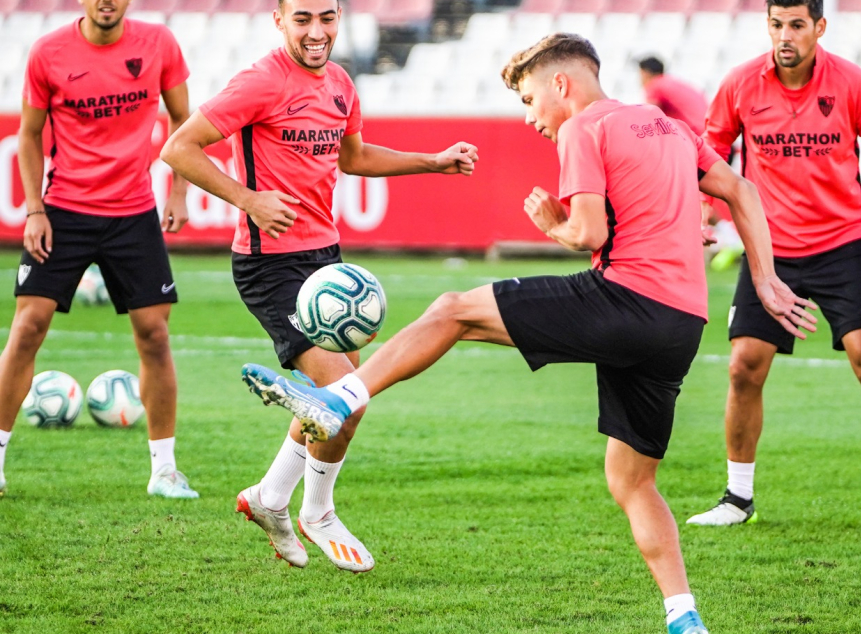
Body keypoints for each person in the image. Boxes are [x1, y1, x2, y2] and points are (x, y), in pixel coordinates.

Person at [238, 33, 816, 634]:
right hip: (680, 326)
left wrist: (554, 225)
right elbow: (742, 190)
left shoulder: (583, 127)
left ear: (561, 84)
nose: (530, 115)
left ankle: (339, 400)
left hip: (623, 299)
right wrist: (767, 281)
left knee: (452, 309)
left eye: (528, 96)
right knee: (632, 479)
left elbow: (589, 233)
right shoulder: (665, 126)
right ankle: (683, 615)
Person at [159, 0, 478, 572]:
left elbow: (352, 157)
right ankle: (318, 512)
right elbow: (178, 147)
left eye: (326, 17)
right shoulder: (259, 80)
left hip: (325, 263)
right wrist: (248, 200)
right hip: (269, 265)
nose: (316, 31)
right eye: (302, 18)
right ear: (279, 20)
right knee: (345, 404)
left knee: (336, 399)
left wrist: (431, 162)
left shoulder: (340, 82)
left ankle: (270, 498)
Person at [687, 0, 861, 530]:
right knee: (744, 365)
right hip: (769, 245)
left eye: (796, 25)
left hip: (842, 242)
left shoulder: (851, 82)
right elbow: (712, 148)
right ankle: (737, 497)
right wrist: (703, 209)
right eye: (776, 25)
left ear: (819, 27)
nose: (785, 35)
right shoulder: (741, 83)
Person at [0, 0, 196, 499]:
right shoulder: (49, 52)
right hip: (64, 211)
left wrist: (177, 191)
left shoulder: (159, 44)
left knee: (154, 335)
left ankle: (164, 471)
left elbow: (183, 120)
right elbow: (27, 135)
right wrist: (35, 211)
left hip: (133, 212)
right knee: (27, 329)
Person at [637, 56, 709, 136]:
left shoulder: (654, 85)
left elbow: (649, 115)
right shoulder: (672, 82)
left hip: (693, 135)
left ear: (645, 73)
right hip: (706, 132)